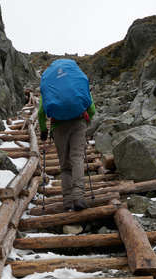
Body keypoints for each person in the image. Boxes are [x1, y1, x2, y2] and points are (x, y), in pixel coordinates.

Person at [38, 60, 96, 212]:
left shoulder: (50, 84)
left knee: (65, 165)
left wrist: (44, 130)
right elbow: (91, 107)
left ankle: (67, 201)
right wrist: (86, 121)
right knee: (77, 158)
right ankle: (79, 196)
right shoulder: (75, 79)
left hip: (58, 127)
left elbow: (40, 112)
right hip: (78, 122)